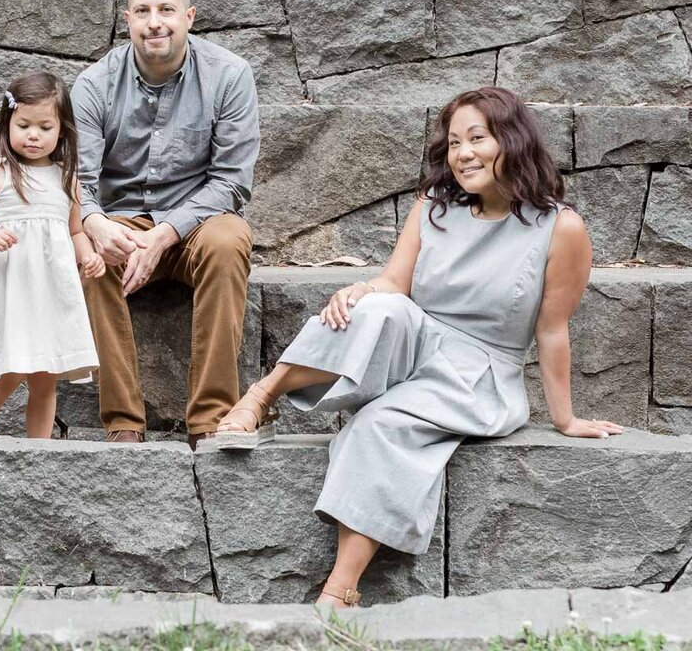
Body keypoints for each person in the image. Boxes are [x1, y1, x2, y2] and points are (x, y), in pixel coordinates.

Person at [215, 87, 623, 607]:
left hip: (479, 372)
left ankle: (340, 591)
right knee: (376, 306)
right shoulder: (435, 207)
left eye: (478, 138)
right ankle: (263, 394)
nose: (464, 153)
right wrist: (358, 291)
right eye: (454, 142)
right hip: (420, 336)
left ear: (513, 141)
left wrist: (565, 419)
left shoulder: (560, 228)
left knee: (381, 424)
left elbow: (551, 329)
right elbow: (394, 283)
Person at [73, 0, 259, 449]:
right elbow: (80, 183)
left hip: (197, 224)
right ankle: (123, 422)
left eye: (167, 10)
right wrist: (93, 223)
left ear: (190, 16)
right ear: (127, 18)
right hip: (124, 223)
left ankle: (211, 420)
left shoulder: (229, 76)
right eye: (143, 11)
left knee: (230, 239)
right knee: (90, 258)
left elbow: (232, 182)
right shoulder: (93, 86)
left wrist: (166, 233)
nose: (155, 22)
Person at [0, 71, 103, 439]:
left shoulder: (66, 178)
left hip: (49, 291)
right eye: (24, 125)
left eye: (44, 127)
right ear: (8, 124)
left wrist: (88, 255)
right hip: (12, 288)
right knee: (9, 371)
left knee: (46, 375)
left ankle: (40, 448)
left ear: (62, 131)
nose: (33, 135)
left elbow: (75, 230)